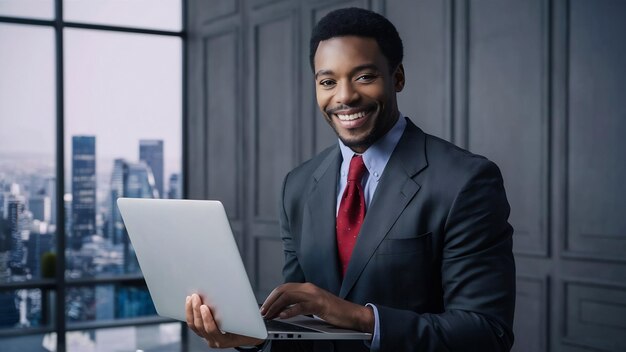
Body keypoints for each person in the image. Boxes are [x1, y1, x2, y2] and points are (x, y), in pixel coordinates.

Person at [186, 7, 515, 352]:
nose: (344, 97)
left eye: (364, 77)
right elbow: (302, 330)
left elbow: (487, 332)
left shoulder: (465, 181)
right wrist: (255, 339)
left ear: (398, 77)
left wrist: (362, 319)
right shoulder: (297, 186)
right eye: (328, 82)